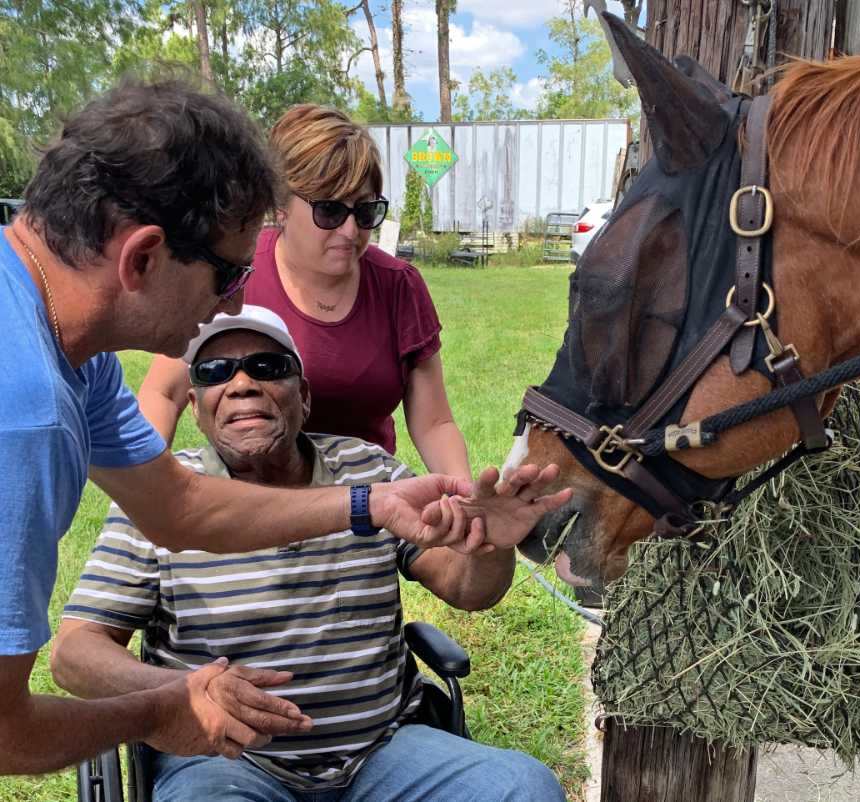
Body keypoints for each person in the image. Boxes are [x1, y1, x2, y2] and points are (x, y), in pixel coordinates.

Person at [0, 79, 570, 776]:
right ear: (142, 258)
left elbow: (177, 506)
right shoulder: (23, 413)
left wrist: (369, 504)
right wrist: (167, 705)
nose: (240, 298)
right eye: (230, 274)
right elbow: (6, 730)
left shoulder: (73, 359)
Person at [52, 306, 565, 802]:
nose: (242, 383)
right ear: (196, 408)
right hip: (224, 762)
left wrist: (488, 546)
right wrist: (181, 691)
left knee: (524, 787)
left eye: (266, 366)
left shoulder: (368, 470)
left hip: (382, 751)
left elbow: (464, 588)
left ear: (305, 397)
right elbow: (75, 653)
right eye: (215, 371)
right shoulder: (163, 497)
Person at [139, 104, 471, 478]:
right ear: (280, 205)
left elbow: (434, 423)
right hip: (248, 502)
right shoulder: (232, 272)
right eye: (329, 211)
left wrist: (465, 501)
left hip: (365, 496)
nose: (349, 231)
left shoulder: (398, 286)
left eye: (365, 212)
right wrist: (151, 492)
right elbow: (162, 394)